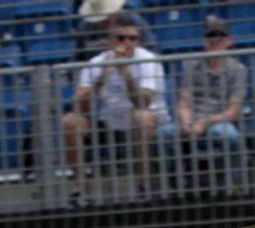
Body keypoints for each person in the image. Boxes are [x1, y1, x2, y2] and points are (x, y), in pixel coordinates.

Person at [62, 13, 174, 199]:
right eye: (121, 38)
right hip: (111, 122)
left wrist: (126, 73)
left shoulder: (149, 60)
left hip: (148, 123)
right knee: (71, 122)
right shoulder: (97, 63)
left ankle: (143, 184)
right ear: (110, 40)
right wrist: (102, 78)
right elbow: (80, 105)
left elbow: (143, 102)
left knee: (141, 117)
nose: (127, 42)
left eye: (132, 38)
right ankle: (80, 188)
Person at [175, 16, 247, 195]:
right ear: (204, 40)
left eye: (220, 38)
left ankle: (233, 183)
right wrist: (186, 122)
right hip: (193, 119)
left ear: (229, 41)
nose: (215, 41)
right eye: (211, 37)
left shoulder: (238, 69)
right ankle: (173, 185)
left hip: (220, 120)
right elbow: (183, 102)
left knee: (229, 136)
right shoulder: (191, 66)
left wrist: (205, 122)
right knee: (165, 134)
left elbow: (233, 111)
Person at [75, 0, 153, 63]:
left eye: (106, 20)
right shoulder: (85, 28)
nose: (102, 23)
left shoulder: (135, 22)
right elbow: (78, 60)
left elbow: (151, 52)